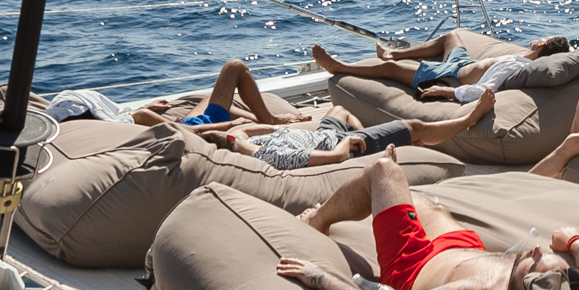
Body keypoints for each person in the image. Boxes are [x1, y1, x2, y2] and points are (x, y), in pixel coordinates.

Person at [277, 147, 579, 290]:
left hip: (413, 264)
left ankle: (319, 218)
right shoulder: (565, 285)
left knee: (384, 172)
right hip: (465, 251)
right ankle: (388, 195)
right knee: (430, 205)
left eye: (536, 261)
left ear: (523, 287)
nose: (538, 250)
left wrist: (321, 279)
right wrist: (574, 242)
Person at [211, 94, 498, 170]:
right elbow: (334, 158)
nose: (238, 136)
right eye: (234, 140)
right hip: (337, 144)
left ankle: (378, 139)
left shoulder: (245, 140)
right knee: (413, 127)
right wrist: (349, 141)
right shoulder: (271, 156)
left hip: (322, 134)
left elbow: (246, 128)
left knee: (339, 110)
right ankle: (468, 120)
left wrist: (276, 126)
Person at [311, 32, 573, 100]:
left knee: (390, 72)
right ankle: (394, 54)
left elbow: (486, 89)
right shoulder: (522, 57)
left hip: (452, 76)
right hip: (463, 64)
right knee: (450, 38)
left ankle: (339, 67)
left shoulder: (518, 66)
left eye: (544, 38)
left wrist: (450, 92)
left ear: (542, 45)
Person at [126, 59, 309, 130]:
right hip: (192, 128)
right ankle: (269, 121)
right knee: (235, 67)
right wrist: (230, 124)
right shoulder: (142, 116)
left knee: (208, 100)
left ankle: (264, 120)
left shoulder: (134, 117)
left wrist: (143, 109)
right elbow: (188, 133)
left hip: (183, 123)